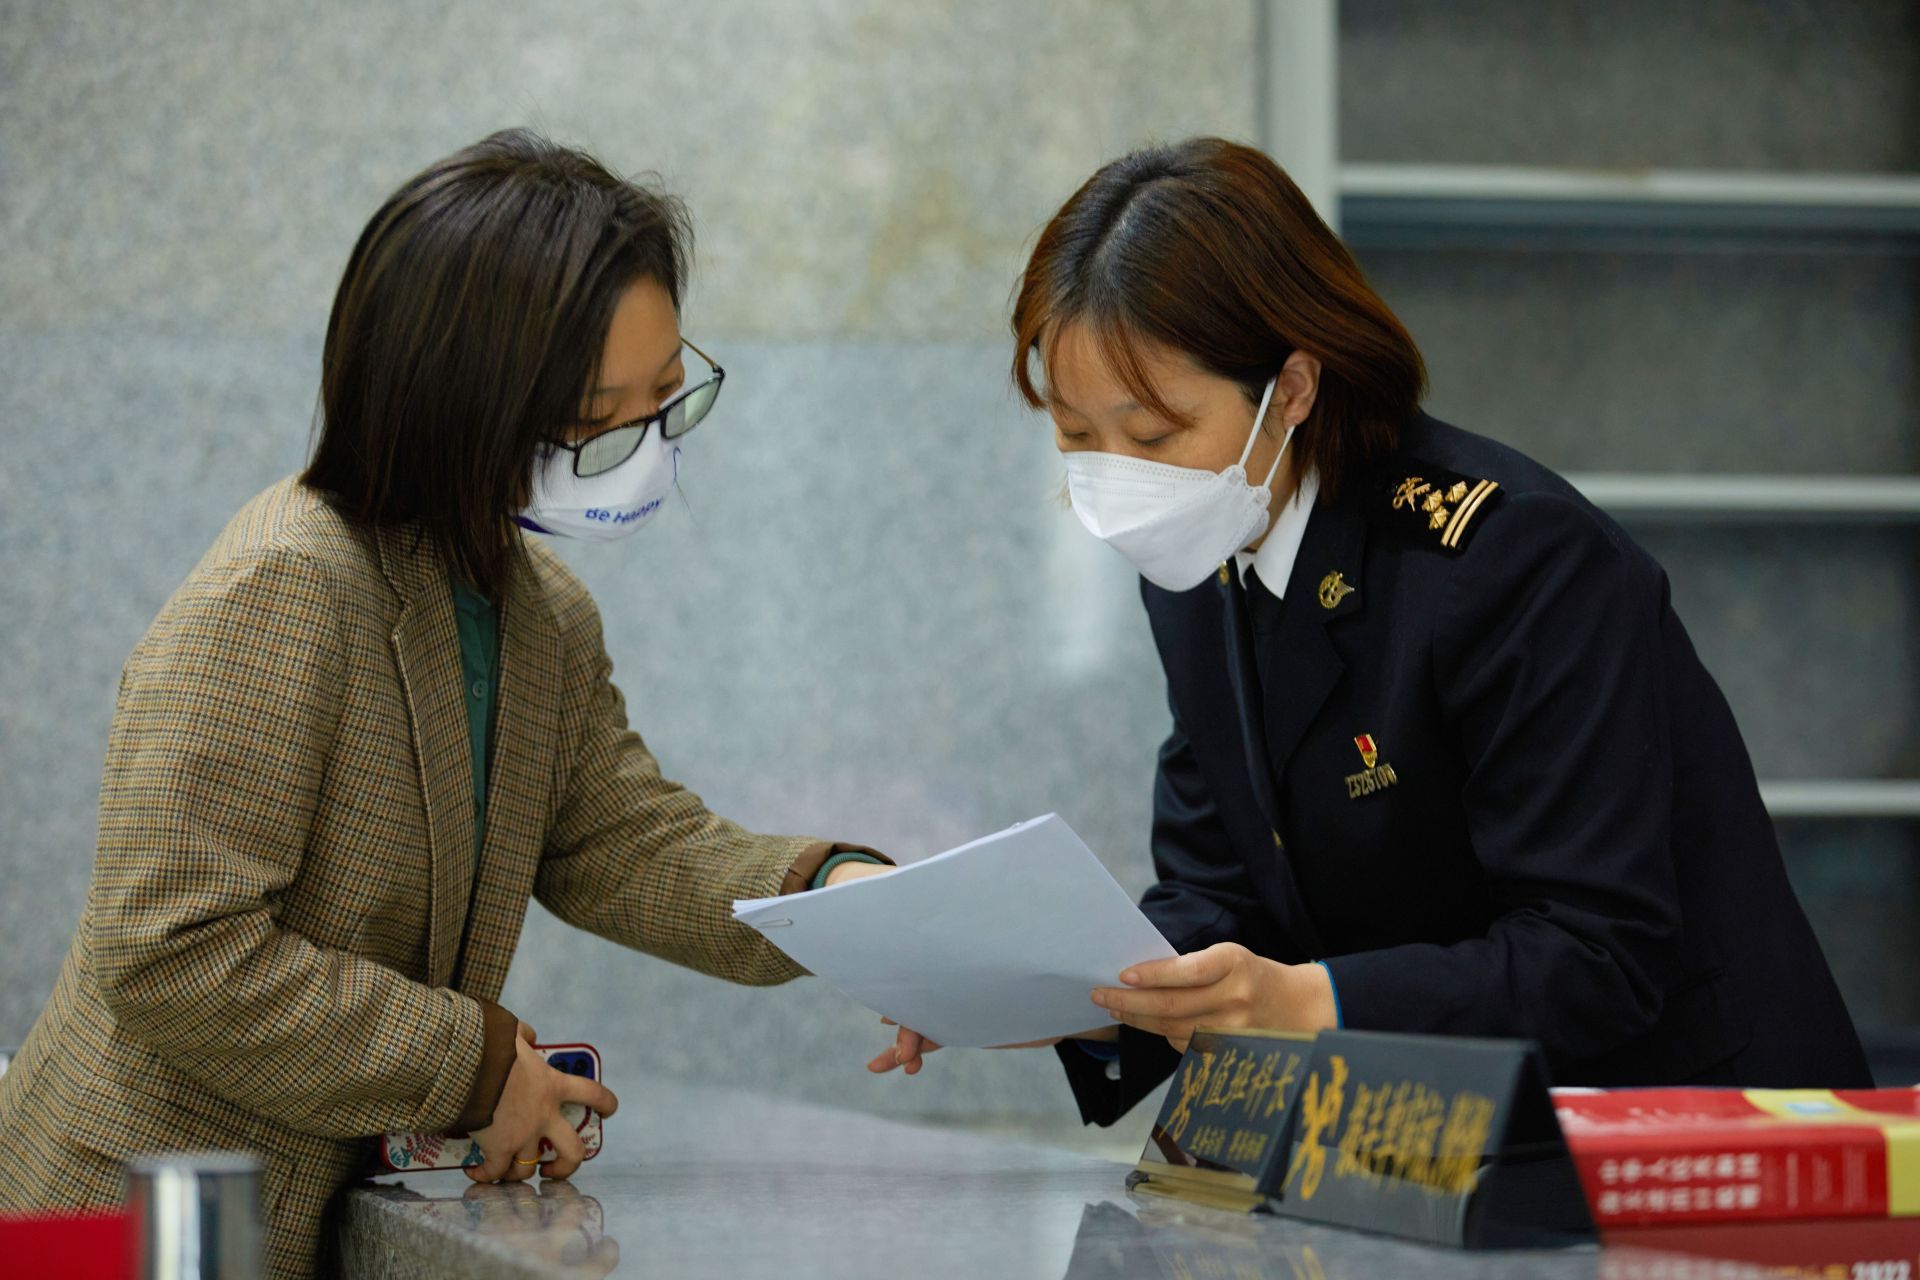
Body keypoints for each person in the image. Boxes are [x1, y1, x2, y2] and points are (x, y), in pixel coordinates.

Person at [0, 129, 891, 1278]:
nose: (641, 449)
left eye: (666, 399)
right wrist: (478, 1062)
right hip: (140, 1213)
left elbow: (622, 841)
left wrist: (844, 898)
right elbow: (170, 948)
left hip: (307, 1203)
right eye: (594, 414)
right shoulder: (285, 582)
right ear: (460, 403)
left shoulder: (539, 611)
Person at [871, 137, 1870, 1124]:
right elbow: (1220, 888)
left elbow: (1597, 950)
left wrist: (1312, 1001)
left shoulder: (1510, 558)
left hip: (1693, 1131)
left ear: (1293, 390)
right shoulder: (1197, 556)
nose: (1121, 481)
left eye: (1155, 433)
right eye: (1077, 438)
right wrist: (1060, 989)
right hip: (1436, 1141)